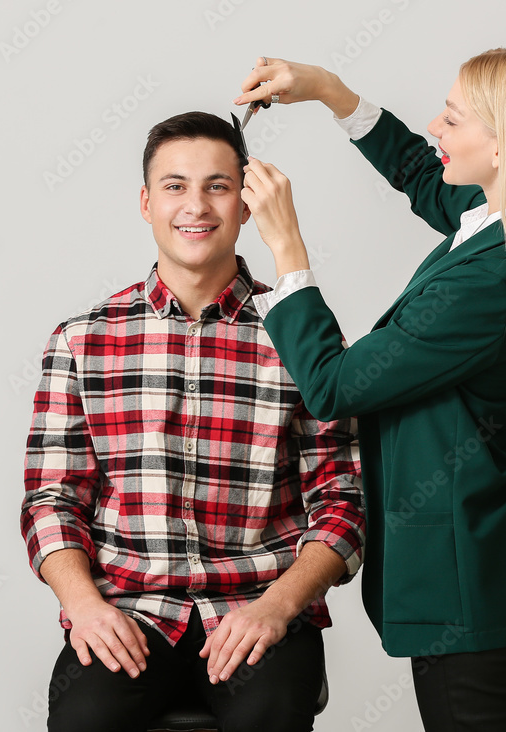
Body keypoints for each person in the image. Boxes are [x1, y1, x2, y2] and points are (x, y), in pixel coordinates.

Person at [234, 49, 506, 731]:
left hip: (472, 602)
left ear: (503, 147)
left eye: (454, 117)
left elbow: (335, 384)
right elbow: (422, 176)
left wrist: (286, 247)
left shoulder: (488, 284)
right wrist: (328, 91)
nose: (436, 123)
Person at [21, 111, 365, 732]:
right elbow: (51, 499)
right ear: (147, 202)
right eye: (175, 186)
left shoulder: (300, 337)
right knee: (81, 721)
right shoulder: (82, 340)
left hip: (260, 606)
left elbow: (342, 501)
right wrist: (85, 605)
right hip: (130, 608)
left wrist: (279, 605)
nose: (196, 206)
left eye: (217, 185)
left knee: (271, 716)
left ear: (245, 202)